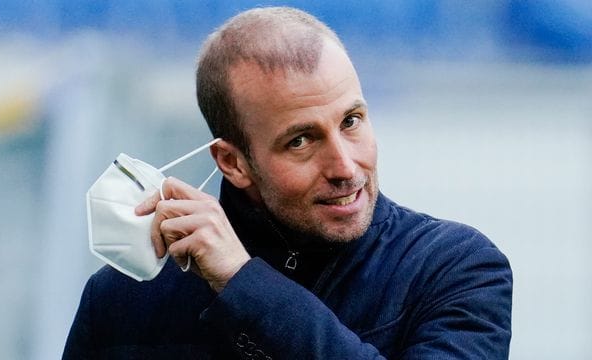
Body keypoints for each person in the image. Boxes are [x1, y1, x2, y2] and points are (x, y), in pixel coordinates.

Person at [63, 6, 512, 359]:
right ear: (232, 162)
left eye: (352, 121)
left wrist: (242, 283)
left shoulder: (454, 269)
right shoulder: (122, 299)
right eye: (301, 141)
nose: (346, 166)